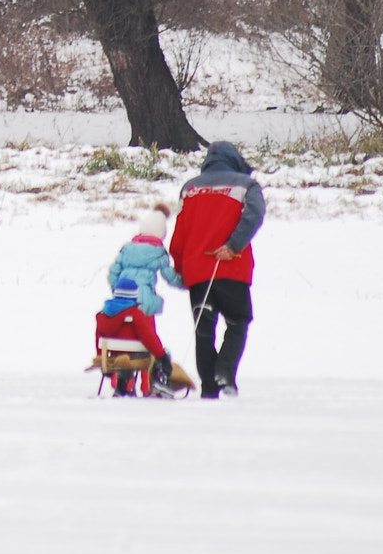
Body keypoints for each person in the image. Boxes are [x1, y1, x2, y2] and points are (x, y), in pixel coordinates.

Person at [168, 140, 264, 399]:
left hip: (198, 272)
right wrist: (233, 245)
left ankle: (209, 388)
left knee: (203, 330)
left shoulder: (189, 189)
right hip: (233, 269)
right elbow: (255, 214)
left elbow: (180, 232)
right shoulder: (246, 185)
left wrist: (179, 268)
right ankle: (224, 371)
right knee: (238, 321)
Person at [94, 277, 174, 397]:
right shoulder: (135, 313)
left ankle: (122, 385)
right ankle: (159, 381)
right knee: (159, 354)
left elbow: (99, 338)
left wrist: (101, 357)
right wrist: (162, 356)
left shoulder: (103, 314)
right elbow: (148, 336)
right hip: (135, 356)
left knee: (122, 356)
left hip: (114, 356)